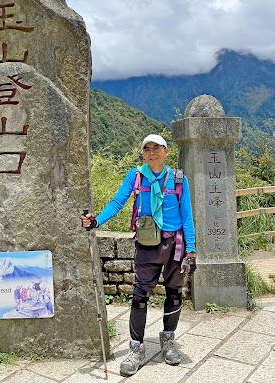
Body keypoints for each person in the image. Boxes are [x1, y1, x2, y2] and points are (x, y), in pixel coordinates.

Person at [81, 134, 196, 377]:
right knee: (139, 296)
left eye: (156, 148)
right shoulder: (135, 176)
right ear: (143, 153)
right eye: (147, 148)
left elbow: (187, 215)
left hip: (175, 244)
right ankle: (137, 348)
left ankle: (168, 341)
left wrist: (192, 250)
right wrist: (97, 221)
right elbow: (117, 202)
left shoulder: (178, 179)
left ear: (166, 151)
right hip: (146, 244)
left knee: (174, 294)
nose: (152, 152)